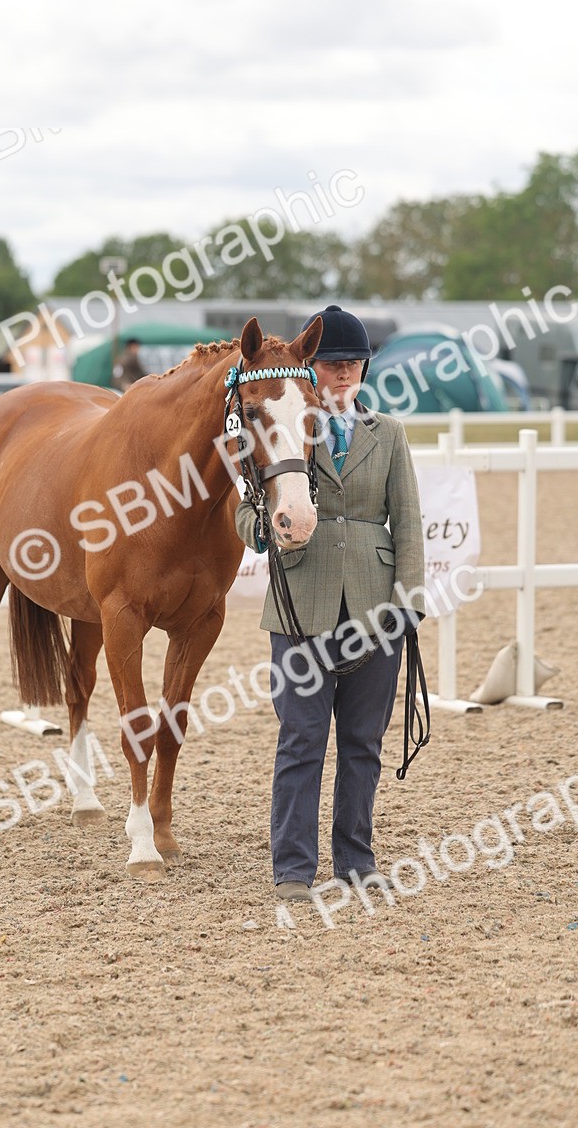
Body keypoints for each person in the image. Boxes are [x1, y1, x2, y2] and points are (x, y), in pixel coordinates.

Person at [234, 305, 426, 902]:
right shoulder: (285, 426)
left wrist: (408, 605)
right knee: (300, 738)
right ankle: (292, 867)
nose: (343, 375)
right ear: (311, 370)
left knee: (363, 741)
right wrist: (262, 531)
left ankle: (355, 859)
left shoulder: (388, 434)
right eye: (332, 366)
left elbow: (410, 523)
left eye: (353, 365)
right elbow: (244, 508)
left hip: (374, 604)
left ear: (365, 369)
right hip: (301, 598)